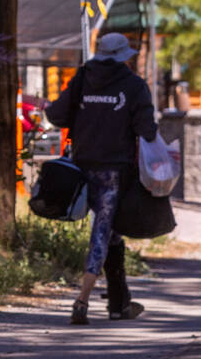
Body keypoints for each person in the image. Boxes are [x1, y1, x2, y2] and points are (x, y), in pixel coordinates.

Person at [45, 32, 158, 325]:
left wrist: (88, 115)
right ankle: (82, 300)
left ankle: (119, 303)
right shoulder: (133, 86)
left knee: (111, 231)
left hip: (82, 167)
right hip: (113, 170)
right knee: (103, 231)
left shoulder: (83, 78)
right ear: (123, 56)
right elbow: (146, 128)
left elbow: (56, 115)